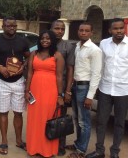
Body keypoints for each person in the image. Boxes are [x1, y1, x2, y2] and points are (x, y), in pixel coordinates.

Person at [86, 18, 128, 158]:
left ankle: (115, 152)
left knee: (119, 123)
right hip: (105, 88)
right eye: (115, 29)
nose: (119, 31)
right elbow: (101, 65)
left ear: (124, 29)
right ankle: (99, 151)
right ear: (110, 30)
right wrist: (97, 84)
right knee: (101, 121)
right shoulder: (104, 44)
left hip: (124, 90)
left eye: (121, 28)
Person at [0, 17, 30, 155]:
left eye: (14, 25)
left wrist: (24, 66)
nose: (11, 27)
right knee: (3, 112)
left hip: (18, 81)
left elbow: (29, 56)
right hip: (1, 81)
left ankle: (18, 140)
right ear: (3, 26)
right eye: (8, 25)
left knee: (18, 112)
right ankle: (4, 141)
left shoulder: (23, 41)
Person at [24, 30, 64, 157]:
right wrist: (27, 90)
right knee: (35, 119)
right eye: (42, 38)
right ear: (39, 40)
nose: (45, 40)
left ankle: (47, 150)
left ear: (52, 40)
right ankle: (34, 148)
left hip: (51, 91)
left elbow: (59, 77)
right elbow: (30, 73)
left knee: (48, 119)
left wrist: (60, 95)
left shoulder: (57, 55)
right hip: (35, 91)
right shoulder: (33, 53)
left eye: (48, 38)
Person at [66, 23, 102, 158]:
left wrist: (90, 96)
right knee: (77, 119)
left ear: (91, 33)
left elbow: (96, 74)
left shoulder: (94, 50)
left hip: (85, 88)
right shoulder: (77, 47)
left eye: (87, 31)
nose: (83, 33)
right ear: (78, 31)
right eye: (81, 30)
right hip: (76, 86)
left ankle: (81, 151)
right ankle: (78, 144)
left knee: (84, 121)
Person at [50, 20, 75, 156]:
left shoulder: (68, 47)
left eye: (62, 29)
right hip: (46, 86)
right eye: (57, 28)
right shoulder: (45, 43)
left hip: (62, 86)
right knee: (47, 114)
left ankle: (60, 145)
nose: (59, 31)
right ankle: (47, 141)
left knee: (61, 117)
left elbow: (70, 70)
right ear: (51, 29)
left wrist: (67, 91)